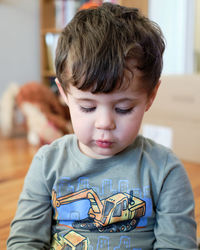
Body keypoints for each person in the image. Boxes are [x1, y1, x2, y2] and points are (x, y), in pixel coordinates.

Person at [7, 3, 197, 249]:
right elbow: (25, 240)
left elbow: (177, 244)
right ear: (64, 94)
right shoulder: (47, 164)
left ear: (151, 95)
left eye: (123, 109)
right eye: (87, 107)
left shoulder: (164, 171)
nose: (105, 123)